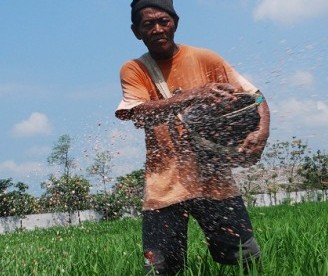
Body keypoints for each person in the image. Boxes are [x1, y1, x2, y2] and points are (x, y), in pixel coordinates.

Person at [115, 0, 270, 274]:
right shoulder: (134, 70)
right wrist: (192, 96)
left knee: (245, 260)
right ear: (136, 32)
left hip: (215, 181)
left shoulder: (205, 58)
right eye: (148, 24)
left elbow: (255, 96)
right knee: (159, 269)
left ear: (175, 22)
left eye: (164, 21)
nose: (158, 29)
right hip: (165, 186)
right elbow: (137, 114)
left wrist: (261, 133)